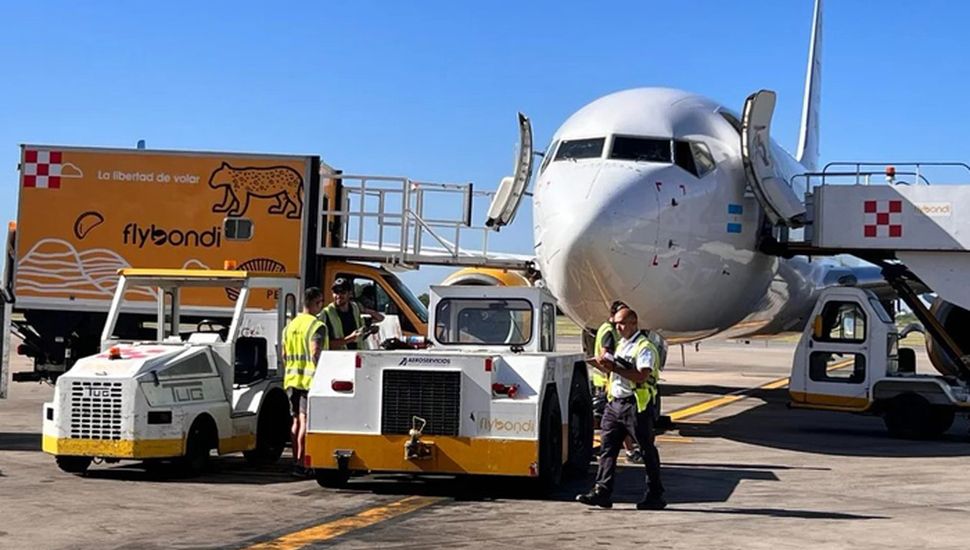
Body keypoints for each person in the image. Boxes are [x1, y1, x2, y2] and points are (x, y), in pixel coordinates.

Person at [578, 306, 666, 510]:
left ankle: (655, 494)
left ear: (633, 324)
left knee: (646, 450)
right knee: (607, 449)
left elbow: (642, 375)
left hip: (635, 405)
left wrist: (614, 368)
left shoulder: (643, 347)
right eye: (616, 323)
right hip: (615, 403)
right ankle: (602, 491)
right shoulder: (623, 344)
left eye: (622, 323)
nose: (617, 327)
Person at [282, 287, 327, 474]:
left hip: (291, 379)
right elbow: (315, 351)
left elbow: (284, 354)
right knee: (305, 421)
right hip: (310, 381)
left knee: (295, 422)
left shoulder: (290, 326)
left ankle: (295, 459)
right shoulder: (316, 326)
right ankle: (302, 463)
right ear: (316, 303)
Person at [321, 278, 384, 350]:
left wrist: (369, 330)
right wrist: (350, 339)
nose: (338, 296)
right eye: (336, 292)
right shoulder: (327, 313)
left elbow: (380, 318)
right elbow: (324, 345)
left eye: (343, 292)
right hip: (337, 358)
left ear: (350, 294)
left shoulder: (355, 309)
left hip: (356, 355)